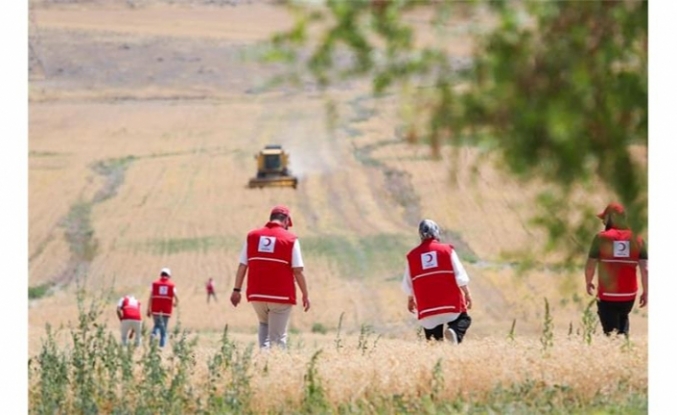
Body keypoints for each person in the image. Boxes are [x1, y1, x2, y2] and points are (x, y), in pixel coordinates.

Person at [230, 205, 310, 349]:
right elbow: (298, 270)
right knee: (278, 338)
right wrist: (305, 294)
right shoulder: (291, 239)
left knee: (264, 326)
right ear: (286, 220)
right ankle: (276, 367)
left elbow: (242, 265)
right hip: (281, 296)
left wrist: (236, 290)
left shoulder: (252, 236)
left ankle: (263, 363)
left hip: (256, 294)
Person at [402, 219, 473, 344]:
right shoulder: (447, 250)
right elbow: (459, 274)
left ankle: (437, 359)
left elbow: (408, 282)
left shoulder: (412, 256)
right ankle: (454, 332)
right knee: (463, 319)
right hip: (450, 304)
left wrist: (410, 300)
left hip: (427, 307)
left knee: (434, 343)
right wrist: (467, 293)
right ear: (436, 232)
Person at [585, 202, 648, 336]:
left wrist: (588, 281)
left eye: (605, 218)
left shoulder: (601, 238)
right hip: (629, 295)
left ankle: (618, 350)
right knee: (622, 318)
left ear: (612, 217)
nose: (603, 221)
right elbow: (645, 269)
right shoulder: (638, 239)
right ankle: (624, 347)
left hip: (607, 294)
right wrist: (646, 291)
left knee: (611, 335)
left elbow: (591, 264)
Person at [146, 267, 179, 347]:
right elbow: (177, 297)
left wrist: (148, 309)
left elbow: (150, 297)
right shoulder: (171, 285)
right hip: (166, 311)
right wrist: (175, 303)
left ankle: (153, 334)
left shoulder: (154, 284)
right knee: (163, 330)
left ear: (161, 274)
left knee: (157, 325)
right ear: (169, 276)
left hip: (155, 309)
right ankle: (162, 348)